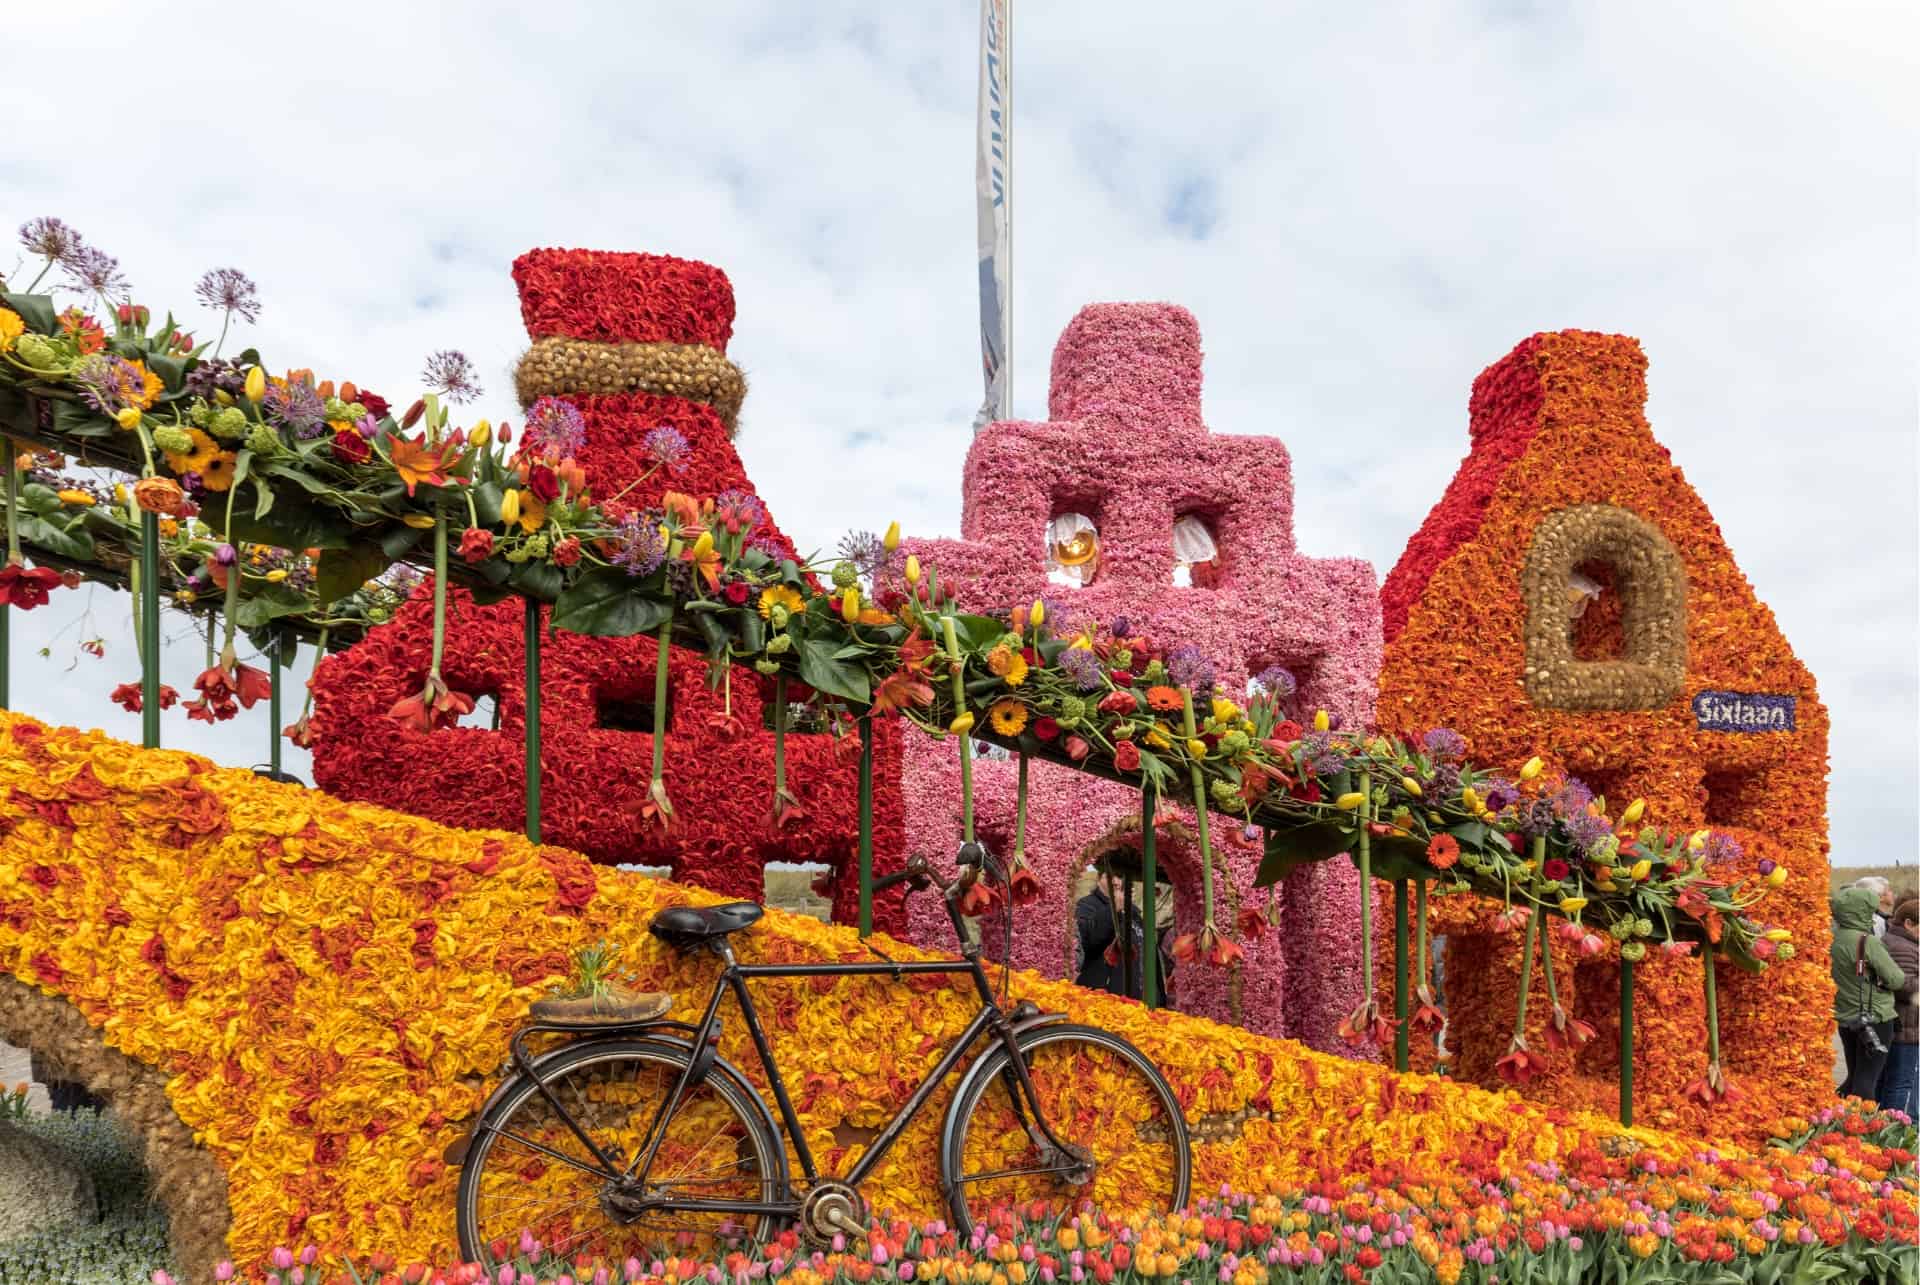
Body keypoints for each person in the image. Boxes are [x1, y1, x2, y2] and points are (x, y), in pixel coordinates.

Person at [1831, 885, 1904, 1100]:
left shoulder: (1832, 938)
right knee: (1866, 1081)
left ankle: (1831, 1117)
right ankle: (1859, 1128)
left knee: (1853, 1077)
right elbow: (1896, 979)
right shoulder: (1867, 941)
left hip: (1846, 1017)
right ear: (1861, 911)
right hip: (1875, 1017)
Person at [1075, 879, 1174, 1004]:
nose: (1116, 881)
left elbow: (1149, 957)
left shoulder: (1136, 914)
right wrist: (1113, 908)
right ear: (1100, 878)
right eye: (1111, 875)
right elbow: (1087, 939)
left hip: (1139, 1004)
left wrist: (1158, 998)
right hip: (1104, 1002)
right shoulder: (1087, 905)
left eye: (1120, 877)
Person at [1875, 895, 1919, 1117]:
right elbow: (1903, 986)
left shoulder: (1900, 942)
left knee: (1889, 1082)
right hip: (1905, 1028)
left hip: (1901, 1025)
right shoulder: (1904, 947)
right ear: (1909, 923)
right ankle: (1892, 1132)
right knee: (1899, 1084)